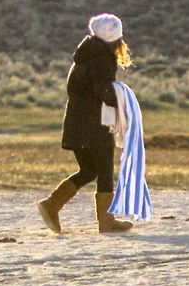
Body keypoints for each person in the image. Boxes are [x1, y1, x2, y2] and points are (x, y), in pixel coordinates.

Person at [39, 13, 134, 235]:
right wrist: (121, 98)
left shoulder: (85, 55)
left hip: (77, 122)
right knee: (103, 171)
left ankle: (52, 205)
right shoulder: (102, 59)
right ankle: (106, 221)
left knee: (89, 169)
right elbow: (103, 90)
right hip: (94, 124)